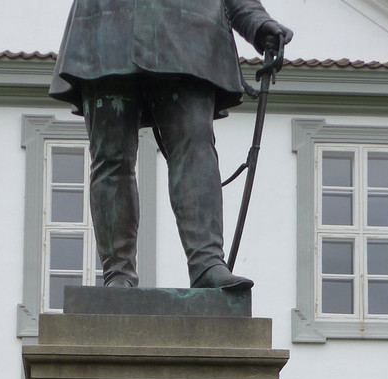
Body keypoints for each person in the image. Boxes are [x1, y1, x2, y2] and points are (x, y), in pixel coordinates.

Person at [50, 0, 293, 290]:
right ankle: (118, 272)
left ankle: (207, 263)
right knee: (111, 156)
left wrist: (256, 21)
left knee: (195, 148)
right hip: (106, 26)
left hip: (189, 29)